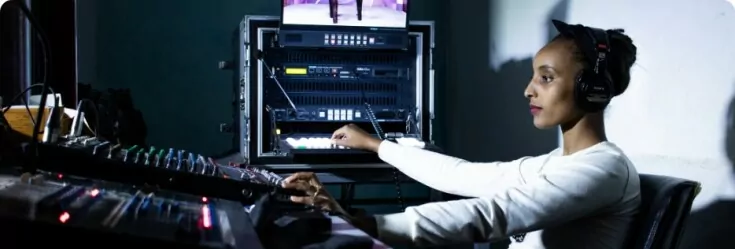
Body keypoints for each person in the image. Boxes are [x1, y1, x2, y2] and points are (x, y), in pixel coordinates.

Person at [282, 20, 641, 249]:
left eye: (546, 78)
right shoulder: (556, 164)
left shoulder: (604, 170)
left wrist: (360, 222)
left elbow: (492, 216)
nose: (528, 91)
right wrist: (376, 145)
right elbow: (461, 175)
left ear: (592, 88)